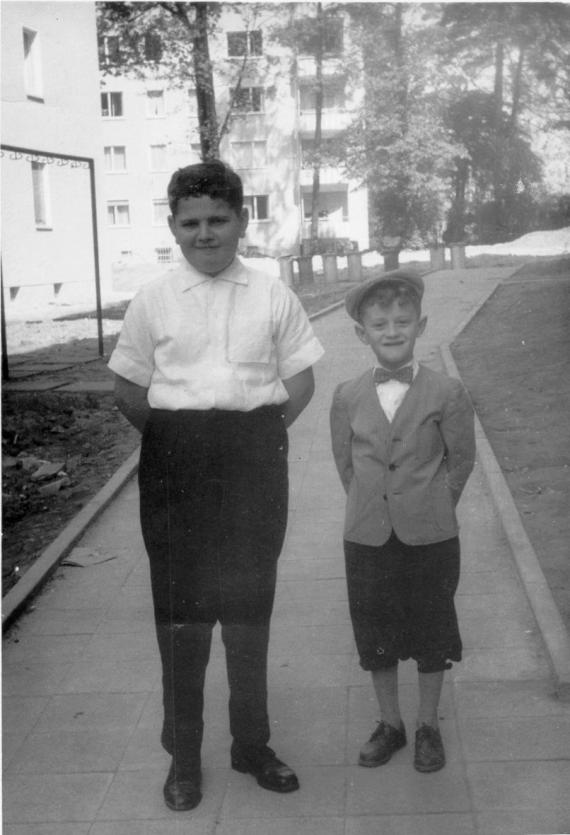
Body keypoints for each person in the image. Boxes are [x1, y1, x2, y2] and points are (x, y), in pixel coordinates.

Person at [108, 159, 324, 811]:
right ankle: (183, 755)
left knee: (249, 607)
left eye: (218, 220)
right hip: (176, 461)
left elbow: (302, 380)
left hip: (254, 457)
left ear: (241, 221)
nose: (205, 233)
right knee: (183, 615)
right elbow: (127, 386)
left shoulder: (272, 293)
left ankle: (251, 743)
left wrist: (252, 437)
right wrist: (184, 440)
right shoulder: (153, 299)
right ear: (173, 227)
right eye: (191, 222)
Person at [329, 269, 475, 773]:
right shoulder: (347, 395)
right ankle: (389, 722)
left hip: (430, 535)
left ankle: (427, 724)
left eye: (402, 321)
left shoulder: (447, 392)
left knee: (433, 627)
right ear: (360, 333)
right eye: (380, 323)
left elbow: (461, 461)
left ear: (421, 325)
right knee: (376, 630)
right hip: (368, 534)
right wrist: (375, 503)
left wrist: (434, 504)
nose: (392, 331)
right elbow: (346, 463)